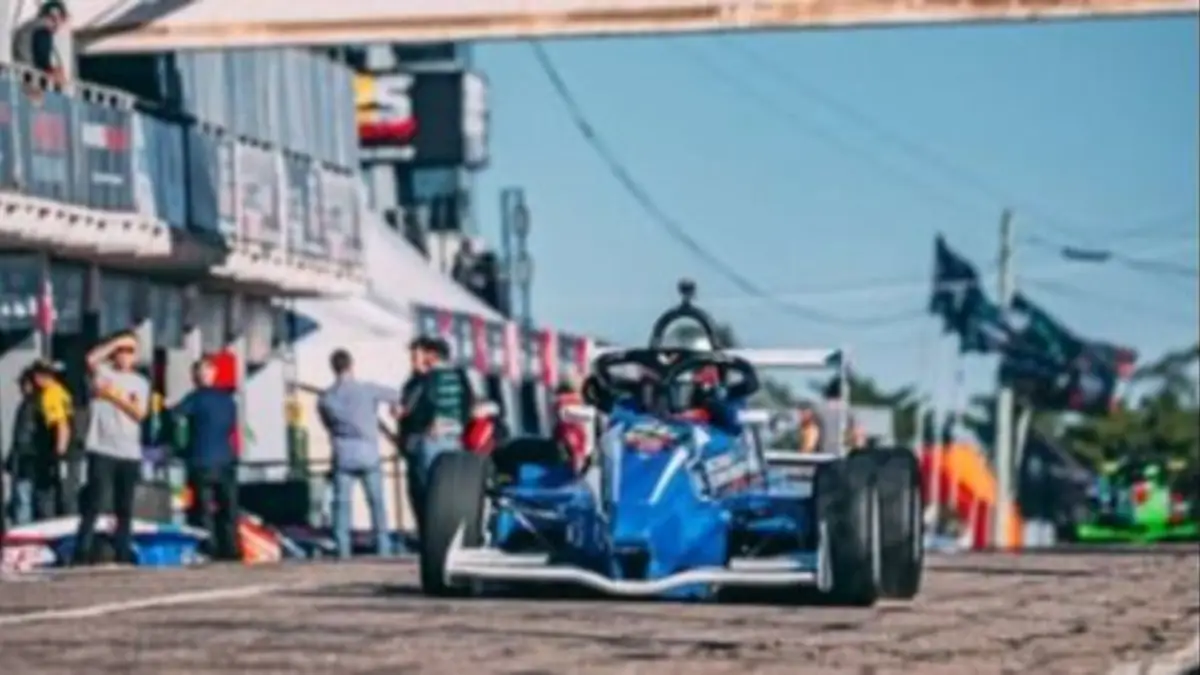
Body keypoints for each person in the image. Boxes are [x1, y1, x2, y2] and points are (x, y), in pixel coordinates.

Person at [72, 332, 151, 566]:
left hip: (128, 451)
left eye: (131, 351)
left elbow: (139, 412)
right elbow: (90, 360)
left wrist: (113, 396)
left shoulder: (140, 382)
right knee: (95, 501)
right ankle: (82, 551)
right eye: (122, 351)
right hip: (102, 447)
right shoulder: (103, 373)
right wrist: (117, 342)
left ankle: (123, 550)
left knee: (124, 505)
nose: (125, 356)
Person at [317, 349, 398, 559]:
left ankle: (342, 549)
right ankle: (383, 547)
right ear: (352, 365)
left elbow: (327, 425)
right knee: (376, 502)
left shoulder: (326, 398)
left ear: (332, 368)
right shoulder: (367, 390)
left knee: (342, 504)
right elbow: (396, 395)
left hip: (343, 454)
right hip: (369, 453)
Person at [398, 337, 474, 534]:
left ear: (430, 355)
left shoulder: (428, 379)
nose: (415, 360)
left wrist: (423, 420)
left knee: (428, 489)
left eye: (418, 355)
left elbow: (422, 406)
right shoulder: (459, 375)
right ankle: (448, 533)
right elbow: (468, 403)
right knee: (447, 487)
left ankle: (432, 535)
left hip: (429, 438)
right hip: (454, 437)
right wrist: (459, 425)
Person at [171, 357, 241, 561]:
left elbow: (175, 416)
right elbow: (230, 426)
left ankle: (207, 548)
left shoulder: (194, 399)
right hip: (225, 459)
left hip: (200, 459)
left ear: (194, 377)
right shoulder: (228, 401)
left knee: (202, 510)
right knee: (228, 508)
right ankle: (230, 548)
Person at [30, 360, 73, 518]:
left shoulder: (50, 394)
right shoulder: (62, 391)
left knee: (49, 493)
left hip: (54, 451)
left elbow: (61, 424)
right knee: (66, 492)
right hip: (69, 450)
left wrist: (59, 454)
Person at [5, 368, 42, 526]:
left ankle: (24, 527)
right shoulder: (30, 404)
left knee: (24, 497)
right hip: (28, 457)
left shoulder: (30, 405)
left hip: (27, 457)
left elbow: (23, 435)